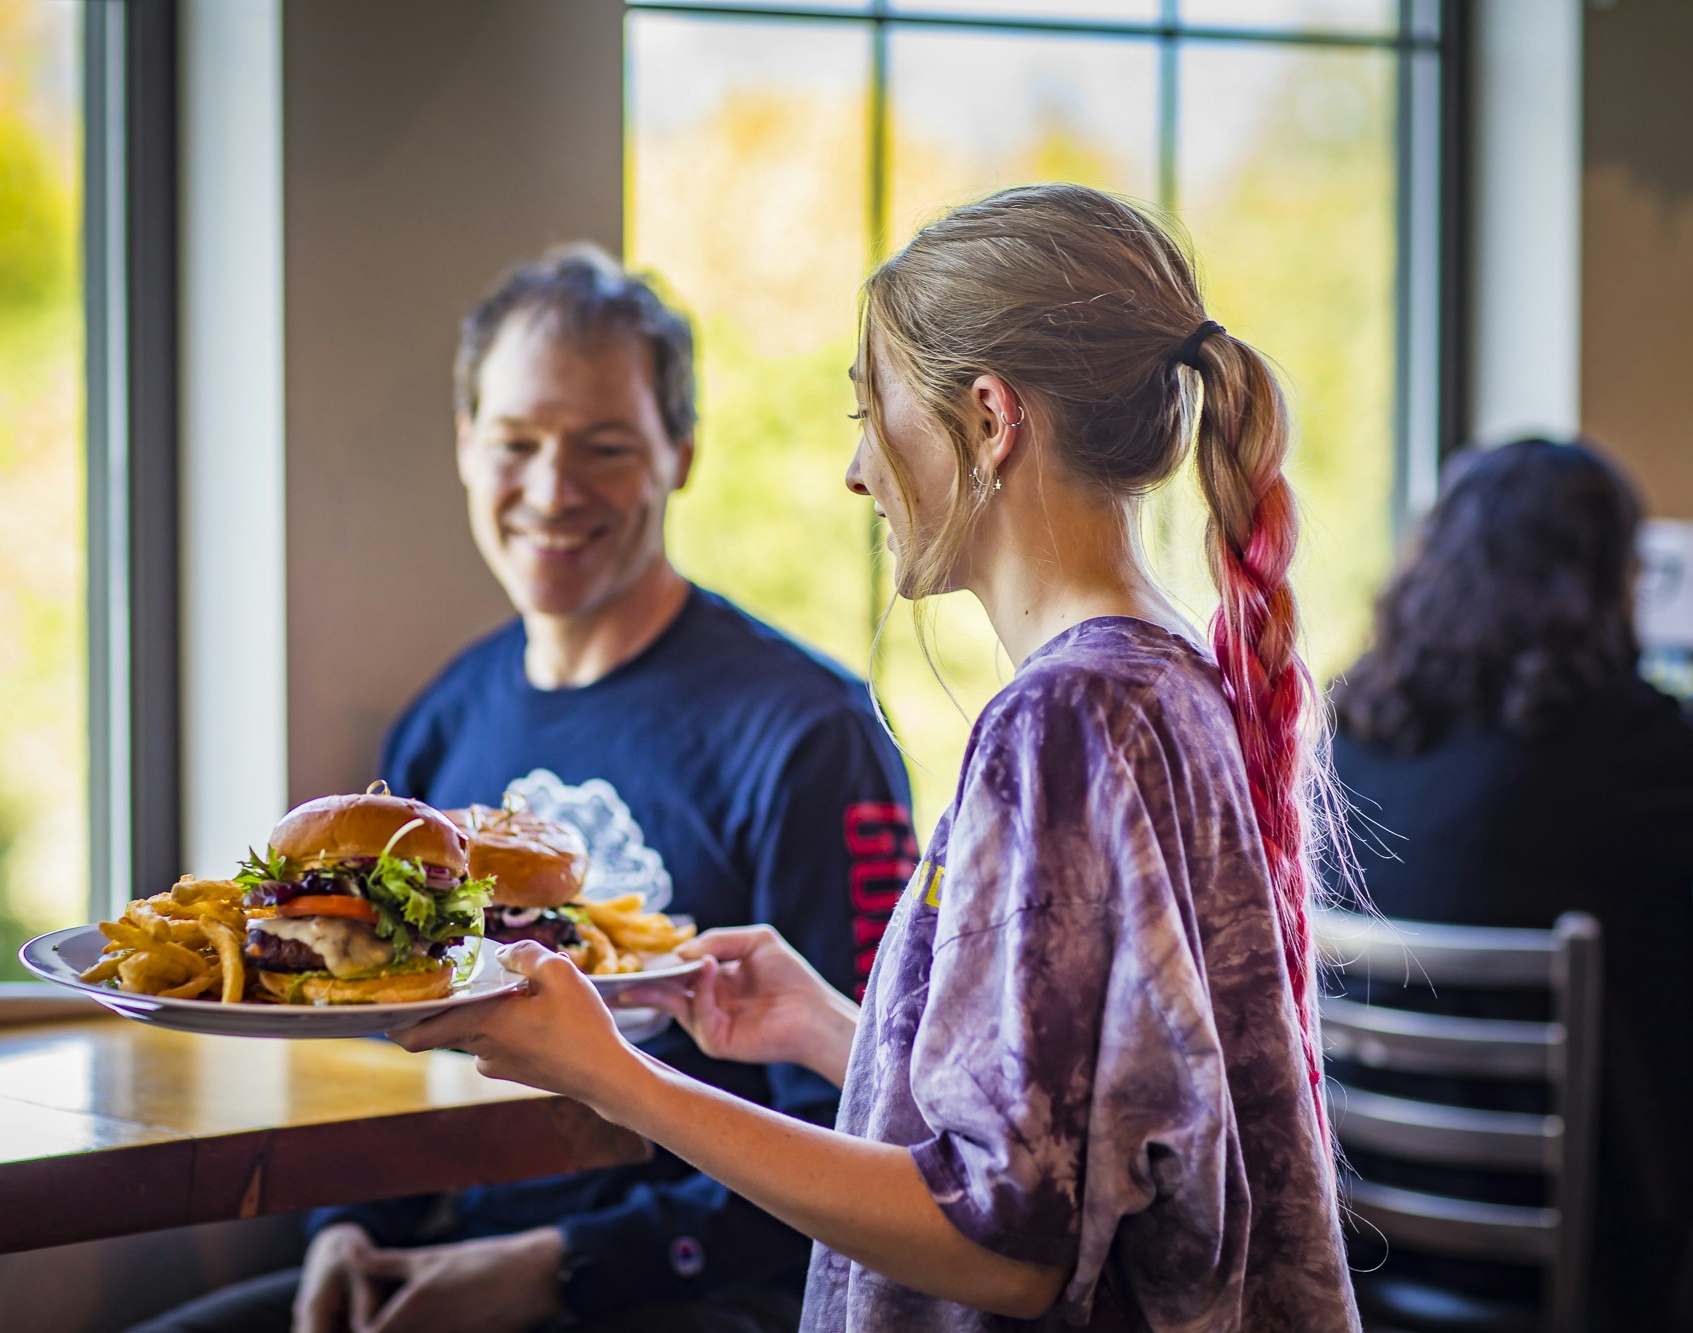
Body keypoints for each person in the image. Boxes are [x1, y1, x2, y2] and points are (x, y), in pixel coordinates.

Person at [396, 183, 1362, 1331]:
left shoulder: (1056, 723)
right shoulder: (1159, 684)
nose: (857, 469)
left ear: (989, 421)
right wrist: (830, 1033)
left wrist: (617, 1075)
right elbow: (1076, 1142)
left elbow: (1005, 1249)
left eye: (874, 409)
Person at [133, 248, 915, 1333]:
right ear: (466, 447)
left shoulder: (809, 734)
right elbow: (377, 1047)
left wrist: (558, 1266)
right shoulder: (446, 719)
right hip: (441, 1251)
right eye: (514, 444)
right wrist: (346, 1230)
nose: (552, 490)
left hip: (705, 1289)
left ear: (678, 454)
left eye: (602, 447)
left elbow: (868, 1134)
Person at [1331, 437, 1693, 1332]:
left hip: (1364, 1234)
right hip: (1598, 1249)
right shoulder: (1620, 740)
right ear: (1597, 579)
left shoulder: (1350, 735)